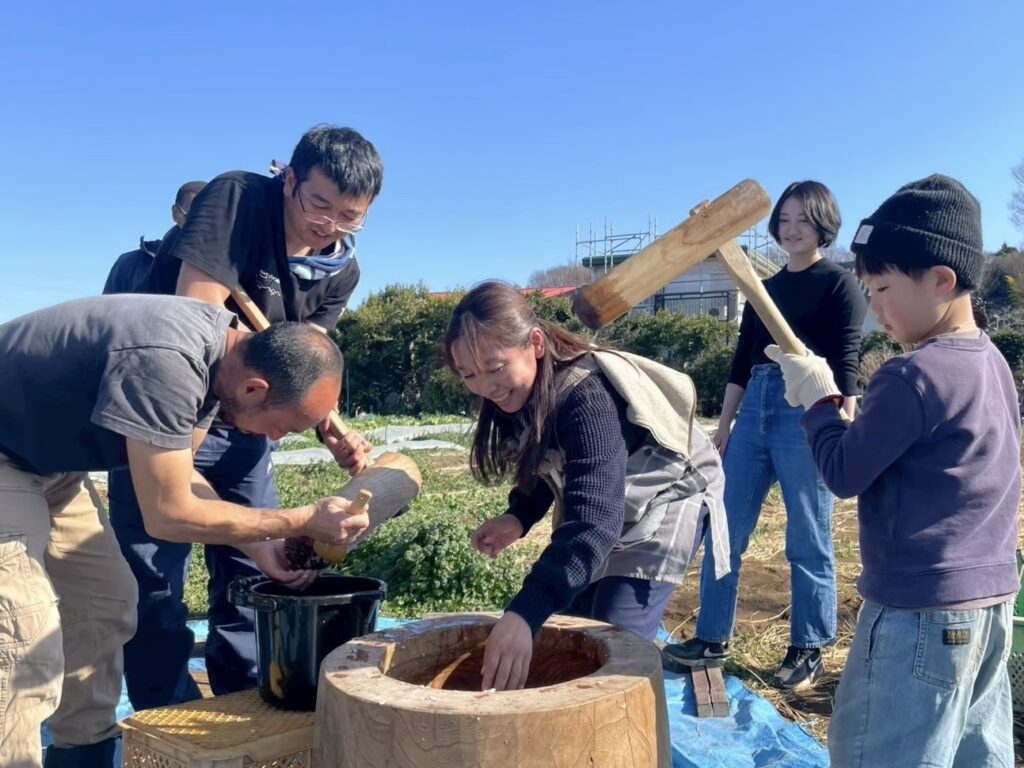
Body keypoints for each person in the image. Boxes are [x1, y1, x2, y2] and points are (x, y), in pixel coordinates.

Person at [0, 294, 370, 768]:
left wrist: (262, 546)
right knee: (22, 631)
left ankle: (82, 756)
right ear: (255, 389)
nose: (274, 439)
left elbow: (183, 477)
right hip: (7, 454)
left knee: (104, 604)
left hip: (50, 466)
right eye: (283, 427)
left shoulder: (221, 360)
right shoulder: (168, 362)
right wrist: (302, 519)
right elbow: (167, 514)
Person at [108, 125, 383, 707]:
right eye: (319, 204)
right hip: (170, 415)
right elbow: (198, 323)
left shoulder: (341, 271)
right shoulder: (238, 200)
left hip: (251, 428)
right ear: (289, 179)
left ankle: (246, 704)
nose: (329, 225)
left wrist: (328, 425)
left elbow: (306, 363)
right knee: (155, 583)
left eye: (350, 216)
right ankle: (170, 718)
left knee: (256, 570)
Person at [767, 174, 1019, 767]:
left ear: (942, 281)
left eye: (882, 289)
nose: (875, 310)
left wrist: (818, 402)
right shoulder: (992, 363)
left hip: (918, 609)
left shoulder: (912, 376)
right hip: (991, 604)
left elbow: (843, 472)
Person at [442, 281, 729, 691]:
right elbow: (550, 460)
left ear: (535, 344)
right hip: (615, 496)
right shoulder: (519, 392)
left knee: (614, 644)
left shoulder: (587, 399)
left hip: (670, 489)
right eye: (468, 374)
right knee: (573, 627)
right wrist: (518, 516)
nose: (485, 386)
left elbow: (594, 524)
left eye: (495, 367)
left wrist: (523, 612)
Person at [663, 181, 867, 689]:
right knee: (725, 528)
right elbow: (741, 360)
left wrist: (846, 414)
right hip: (756, 402)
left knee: (808, 534)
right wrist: (725, 425)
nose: (791, 229)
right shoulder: (763, 287)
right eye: (784, 220)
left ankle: (808, 647)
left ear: (823, 225)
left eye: (803, 220)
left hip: (811, 404)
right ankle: (712, 638)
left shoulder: (839, 284)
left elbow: (846, 356)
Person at [102, 181, 206, 294]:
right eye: (194, 215)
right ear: (176, 214)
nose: (202, 225)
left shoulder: (219, 269)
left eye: (210, 217)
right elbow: (108, 306)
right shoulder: (129, 264)